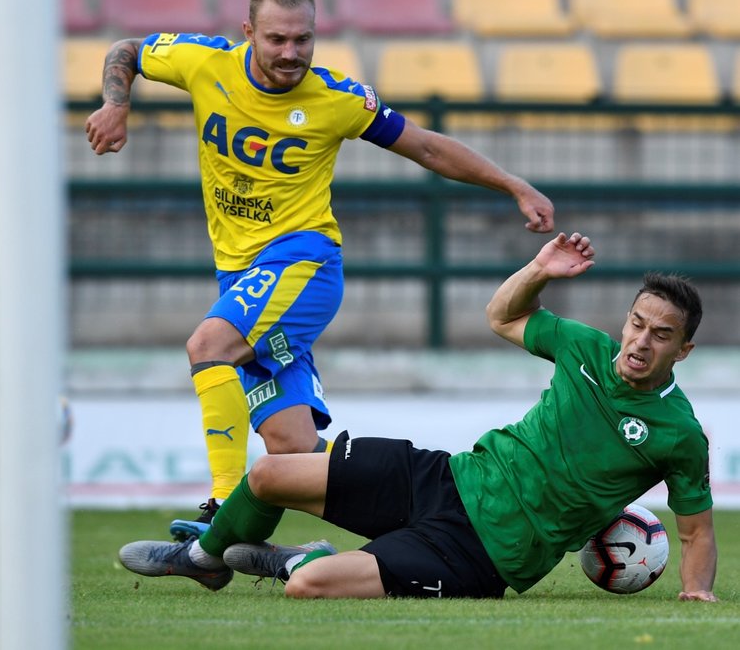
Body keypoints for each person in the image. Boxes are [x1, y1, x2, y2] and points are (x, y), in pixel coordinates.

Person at [84, 0, 557, 540]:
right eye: (277, 39)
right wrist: (116, 104)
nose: (291, 53)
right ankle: (426, 515)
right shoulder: (202, 62)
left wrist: (514, 186)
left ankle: (218, 513)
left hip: (302, 264)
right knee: (291, 448)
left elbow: (427, 146)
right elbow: (127, 51)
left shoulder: (338, 98)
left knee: (208, 346)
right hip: (241, 276)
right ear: (247, 34)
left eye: (302, 40)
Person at [118, 232, 719, 602]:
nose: (641, 341)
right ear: (626, 321)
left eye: (661, 335)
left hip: (482, 555)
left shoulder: (679, 434)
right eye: (637, 324)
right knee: (271, 474)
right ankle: (205, 562)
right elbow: (502, 317)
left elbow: (695, 529)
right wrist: (538, 270)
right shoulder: (583, 345)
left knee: (308, 588)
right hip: (448, 476)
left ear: (682, 351)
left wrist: (696, 591)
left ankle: (297, 561)